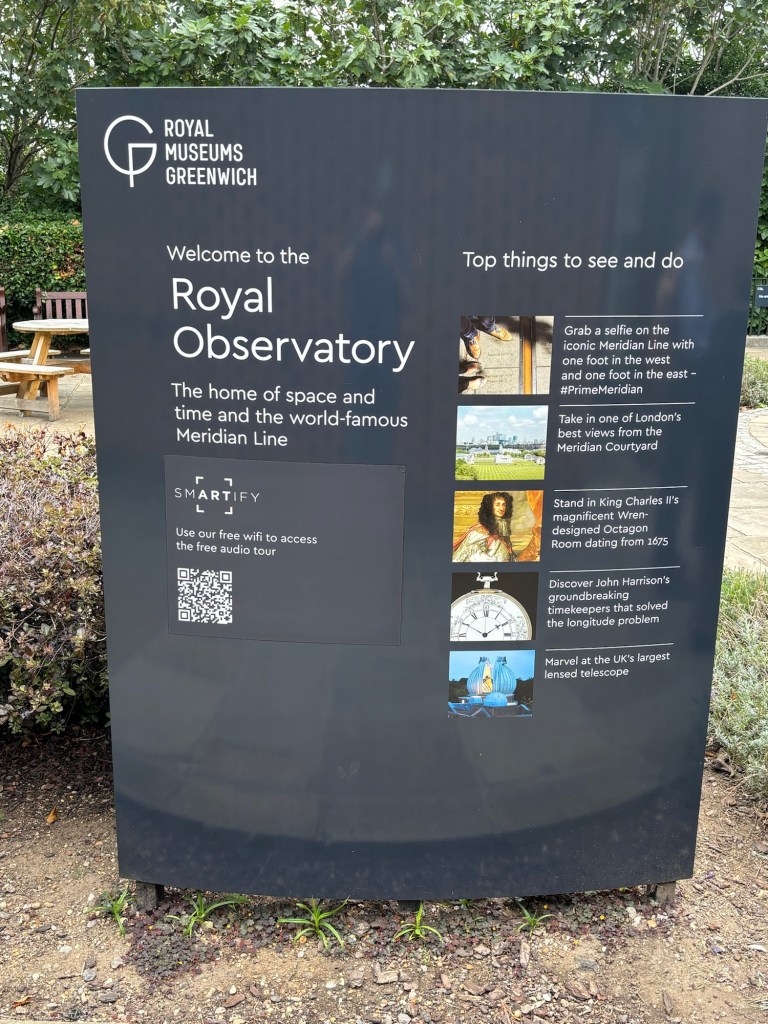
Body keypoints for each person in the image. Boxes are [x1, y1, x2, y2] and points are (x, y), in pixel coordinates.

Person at [453, 492, 515, 562]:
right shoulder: (477, 533)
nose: (501, 508)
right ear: (490, 507)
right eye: (497, 505)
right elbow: (476, 558)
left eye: (504, 505)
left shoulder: (502, 527)